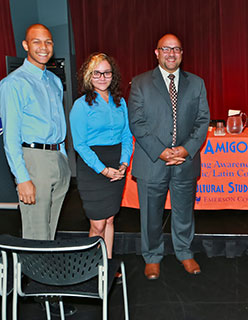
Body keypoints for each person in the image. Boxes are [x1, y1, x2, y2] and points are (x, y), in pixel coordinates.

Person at [0, 23, 75, 316]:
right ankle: (43, 297)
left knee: (49, 232)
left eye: (48, 42)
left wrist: (64, 160)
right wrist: (22, 178)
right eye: (37, 42)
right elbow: (10, 137)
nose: (43, 47)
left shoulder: (54, 81)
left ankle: (45, 287)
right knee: (35, 233)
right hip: (33, 161)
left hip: (57, 159)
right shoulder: (13, 84)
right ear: (25, 45)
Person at [128, 34, 210, 279]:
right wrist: (162, 152)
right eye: (166, 49)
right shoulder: (140, 83)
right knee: (151, 214)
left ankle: (184, 252)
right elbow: (137, 123)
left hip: (185, 161)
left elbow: (202, 121)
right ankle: (152, 256)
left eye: (176, 49)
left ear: (182, 53)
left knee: (184, 212)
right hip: (152, 162)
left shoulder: (196, 84)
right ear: (157, 52)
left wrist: (185, 150)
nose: (171, 53)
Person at [70, 53, 133, 259]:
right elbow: (80, 144)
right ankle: (90, 269)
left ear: (112, 75)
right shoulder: (81, 105)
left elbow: (126, 135)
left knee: (110, 220)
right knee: (97, 224)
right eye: (96, 73)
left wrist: (124, 163)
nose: (102, 77)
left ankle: (107, 265)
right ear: (88, 76)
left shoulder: (120, 102)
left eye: (106, 72)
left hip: (116, 161)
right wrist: (103, 170)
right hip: (93, 167)